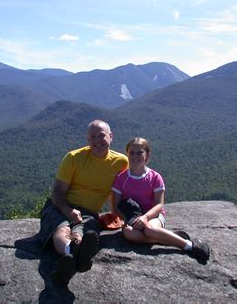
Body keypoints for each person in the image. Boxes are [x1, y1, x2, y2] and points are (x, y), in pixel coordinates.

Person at [39, 120, 128, 286]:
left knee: (82, 232)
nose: (97, 140)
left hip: (88, 213)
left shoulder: (121, 162)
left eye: (101, 135)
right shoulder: (73, 158)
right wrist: (67, 211)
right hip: (59, 206)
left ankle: (71, 257)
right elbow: (57, 193)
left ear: (111, 136)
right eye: (92, 137)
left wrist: (123, 216)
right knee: (63, 227)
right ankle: (72, 252)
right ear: (87, 139)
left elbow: (122, 191)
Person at [112, 137, 210, 264]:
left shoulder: (154, 177)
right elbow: (115, 207)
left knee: (149, 230)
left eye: (140, 152)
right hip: (133, 219)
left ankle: (189, 245)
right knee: (128, 233)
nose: (135, 156)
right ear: (127, 153)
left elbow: (159, 204)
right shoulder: (121, 178)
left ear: (147, 155)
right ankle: (166, 237)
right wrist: (127, 220)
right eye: (131, 152)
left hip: (154, 216)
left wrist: (145, 218)